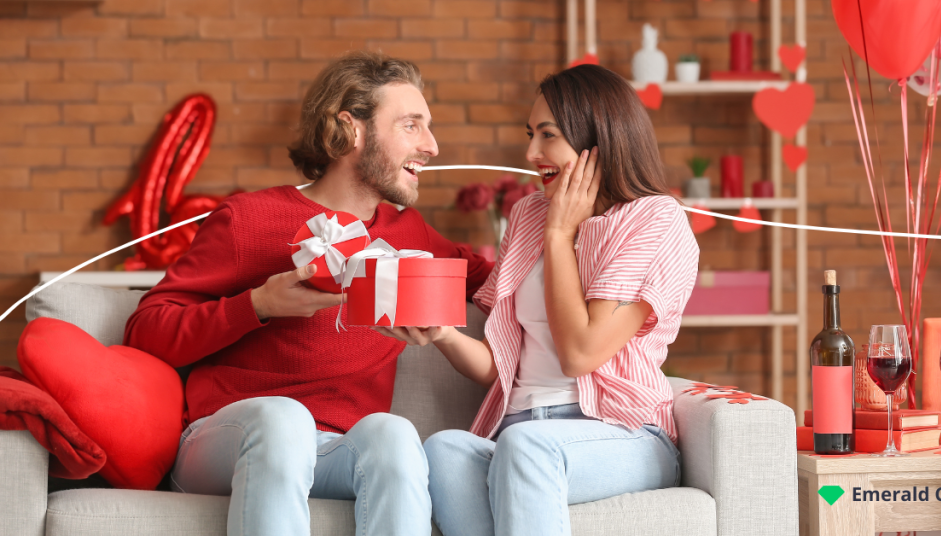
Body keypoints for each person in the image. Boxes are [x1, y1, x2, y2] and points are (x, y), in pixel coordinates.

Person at [123, 51, 492, 536]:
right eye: (411, 125)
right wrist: (258, 305)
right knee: (284, 420)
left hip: (337, 450)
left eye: (429, 127)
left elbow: (499, 280)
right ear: (352, 129)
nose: (432, 145)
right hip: (228, 442)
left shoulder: (411, 235)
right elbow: (145, 332)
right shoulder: (248, 220)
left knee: (395, 435)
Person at [374, 64, 700, 536]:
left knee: (527, 446)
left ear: (599, 140)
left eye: (547, 135)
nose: (531, 153)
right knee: (444, 450)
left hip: (620, 432)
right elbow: (499, 366)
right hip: (519, 430)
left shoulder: (652, 220)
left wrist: (561, 233)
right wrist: (443, 333)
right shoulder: (527, 214)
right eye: (531, 134)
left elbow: (579, 353)